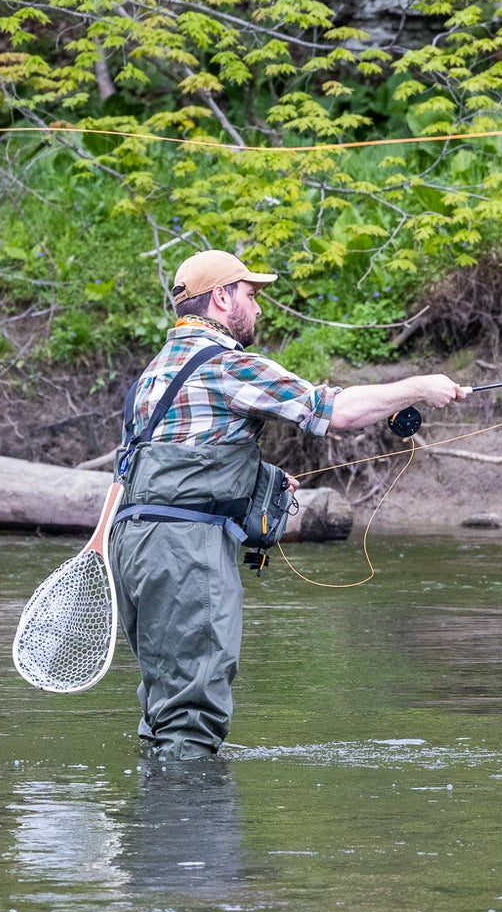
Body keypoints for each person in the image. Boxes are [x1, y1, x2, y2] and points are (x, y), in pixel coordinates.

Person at [110, 249, 467, 760]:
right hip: (185, 551)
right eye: (251, 296)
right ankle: (189, 833)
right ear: (221, 297)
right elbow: (333, 411)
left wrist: (257, 480)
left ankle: (159, 823)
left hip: (135, 548)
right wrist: (419, 387)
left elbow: (155, 469)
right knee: (192, 712)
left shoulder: (151, 375)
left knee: (164, 706)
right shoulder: (228, 365)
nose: (258, 309)